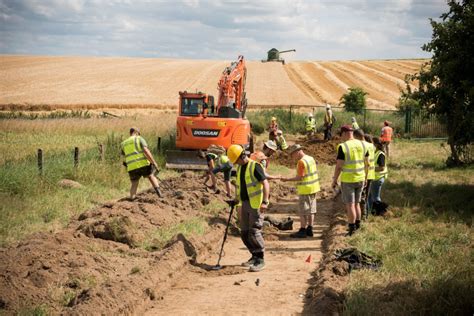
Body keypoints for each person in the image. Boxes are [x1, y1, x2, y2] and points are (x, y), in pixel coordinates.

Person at [227, 144, 270, 272]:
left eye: (236, 161)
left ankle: (260, 259)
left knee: (254, 231)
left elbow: (265, 183)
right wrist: (236, 199)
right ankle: (254, 256)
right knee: (244, 233)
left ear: (241, 156)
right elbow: (240, 186)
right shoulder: (240, 168)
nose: (235, 164)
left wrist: (265, 202)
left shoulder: (254, 166)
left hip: (256, 204)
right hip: (245, 203)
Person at [331, 125, 369, 236]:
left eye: (341, 135)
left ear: (344, 133)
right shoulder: (362, 144)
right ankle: (358, 226)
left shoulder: (343, 146)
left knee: (350, 205)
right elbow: (367, 163)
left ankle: (352, 229)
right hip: (361, 178)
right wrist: (366, 177)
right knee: (357, 204)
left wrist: (334, 180)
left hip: (348, 180)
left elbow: (339, 166)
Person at [281, 144, 320, 238]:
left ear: (297, 152)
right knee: (311, 210)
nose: (292, 157)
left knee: (303, 211)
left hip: (305, 189)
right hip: (314, 188)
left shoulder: (301, 162)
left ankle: (302, 230)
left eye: (293, 154)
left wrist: (287, 179)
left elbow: (300, 177)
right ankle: (310, 229)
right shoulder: (310, 158)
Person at [121, 127, 161, 200]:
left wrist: (127, 164)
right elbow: (146, 151)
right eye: (139, 133)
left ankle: (132, 198)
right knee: (151, 176)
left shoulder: (123, 143)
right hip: (143, 164)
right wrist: (154, 162)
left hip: (131, 167)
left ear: (130, 133)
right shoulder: (139, 138)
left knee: (134, 183)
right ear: (136, 132)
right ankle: (160, 195)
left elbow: (124, 156)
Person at [353, 130, 375, 219]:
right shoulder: (371, 145)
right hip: (370, 174)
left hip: (363, 174)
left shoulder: (360, 145)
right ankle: (364, 216)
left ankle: (363, 217)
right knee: (365, 196)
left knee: (362, 198)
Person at [368, 137, 388, 213]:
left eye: (372, 143)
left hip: (377, 178)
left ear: (375, 144)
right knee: (370, 196)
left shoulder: (380, 154)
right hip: (374, 178)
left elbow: (381, 168)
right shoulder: (375, 152)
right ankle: (370, 211)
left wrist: (370, 168)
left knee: (376, 197)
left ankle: (381, 211)